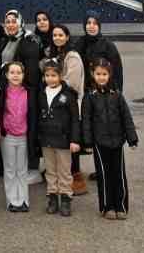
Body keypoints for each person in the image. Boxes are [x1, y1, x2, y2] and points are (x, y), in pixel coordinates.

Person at [80, 59, 137, 221]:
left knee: (119, 174)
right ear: (93, 75)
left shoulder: (117, 95)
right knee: (104, 175)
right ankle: (107, 206)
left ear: (109, 75)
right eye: (98, 74)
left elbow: (126, 117)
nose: (101, 77)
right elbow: (86, 121)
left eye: (104, 74)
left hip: (117, 141)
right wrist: (88, 142)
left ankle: (121, 206)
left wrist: (132, 138)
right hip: (100, 142)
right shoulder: (89, 97)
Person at [37, 58, 81, 217]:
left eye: (54, 75)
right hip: (47, 139)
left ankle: (66, 199)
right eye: (47, 75)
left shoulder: (68, 95)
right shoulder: (41, 93)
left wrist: (75, 140)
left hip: (63, 140)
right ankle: (52, 198)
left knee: (64, 171)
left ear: (61, 76)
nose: (50, 78)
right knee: (50, 171)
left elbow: (75, 119)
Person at [50, 24, 88, 196]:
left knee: (72, 141)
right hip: (59, 102)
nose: (57, 37)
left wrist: (52, 84)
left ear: (67, 37)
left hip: (70, 103)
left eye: (60, 35)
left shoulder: (72, 56)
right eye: (54, 35)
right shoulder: (57, 54)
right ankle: (64, 175)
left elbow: (71, 82)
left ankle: (76, 177)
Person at [0, 60, 38, 212]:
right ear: (6, 75)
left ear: (23, 75)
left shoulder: (29, 92)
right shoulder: (2, 91)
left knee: (22, 169)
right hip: (7, 136)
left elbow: (32, 114)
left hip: (24, 135)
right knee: (10, 169)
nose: (15, 75)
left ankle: (23, 200)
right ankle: (12, 200)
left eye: (18, 73)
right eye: (12, 72)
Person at [79, 12, 124, 93]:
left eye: (95, 23)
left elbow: (117, 72)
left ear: (99, 26)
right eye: (88, 23)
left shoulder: (108, 46)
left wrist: (117, 93)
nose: (91, 26)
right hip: (84, 91)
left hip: (104, 90)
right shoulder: (79, 43)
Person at [0, 10, 40, 95]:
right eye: (8, 22)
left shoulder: (29, 41)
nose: (10, 25)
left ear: (20, 23)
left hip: (22, 91)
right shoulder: (5, 40)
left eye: (14, 22)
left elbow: (32, 74)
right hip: (7, 88)